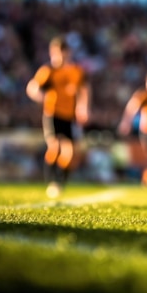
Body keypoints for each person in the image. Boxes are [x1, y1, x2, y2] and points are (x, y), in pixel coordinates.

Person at [26, 36, 90, 198]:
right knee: (55, 146)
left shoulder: (76, 70)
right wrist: (42, 97)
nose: (59, 56)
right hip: (53, 114)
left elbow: (84, 89)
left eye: (62, 52)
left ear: (68, 53)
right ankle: (52, 181)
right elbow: (32, 88)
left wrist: (83, 107)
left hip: (70, 116)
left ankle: (61, 180)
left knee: (71, 153)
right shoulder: (48, 71)